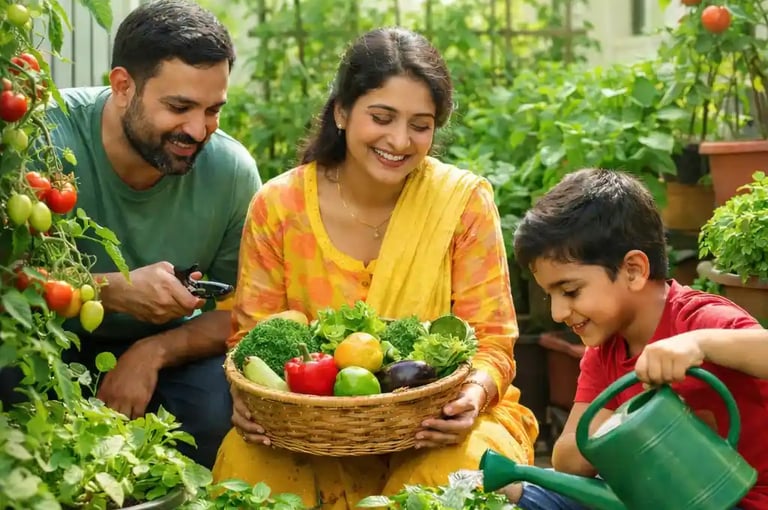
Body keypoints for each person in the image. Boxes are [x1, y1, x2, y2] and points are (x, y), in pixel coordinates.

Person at [211, 27, 539, 508]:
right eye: (381, 117)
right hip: (313, 430)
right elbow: (253, 340)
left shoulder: (462, 202)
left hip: (438, 425)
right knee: (250, 466)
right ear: (342, 112)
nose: (400, 141)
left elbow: (492, 340)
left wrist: (472, 395)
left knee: (451, 474)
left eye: (420, 125)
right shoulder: (278, 206)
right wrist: (249, 397)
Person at [43, 0, 259, 468]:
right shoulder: (41, 139)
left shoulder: (232, 173)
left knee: (222, 409)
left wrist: (152, 351)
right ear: (123, 86)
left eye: (213, 110)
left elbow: (244, 312)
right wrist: (109, 291)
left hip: (170, 353)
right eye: (179, 107)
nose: (199, 130)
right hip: (42, 343)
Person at [508, 168, 768, 510]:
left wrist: (699, 344)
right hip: (656, 497)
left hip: (740, 500)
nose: (558, 313)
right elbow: (566, 456)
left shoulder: (698, 319)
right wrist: (620, 428)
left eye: (570, 291)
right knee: (521, 494)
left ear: (633, 270)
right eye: (549, 296)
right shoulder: (604, 351)